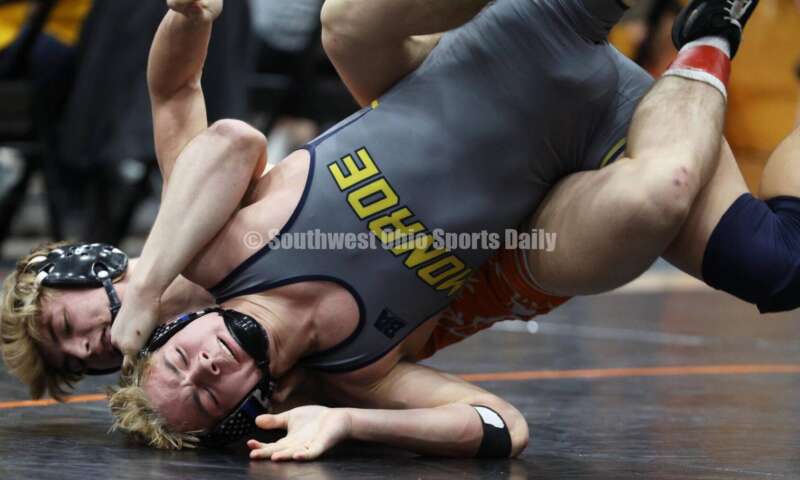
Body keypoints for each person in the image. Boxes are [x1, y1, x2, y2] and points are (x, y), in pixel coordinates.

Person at [100, 0, 772, 459]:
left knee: (345, 16)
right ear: (248, 408)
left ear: (176, 328)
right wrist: (347, 421)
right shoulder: (359, 372)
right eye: (207, 394)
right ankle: (714, 29)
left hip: (513, 50)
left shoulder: (216, 253)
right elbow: (502, 426)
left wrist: (149, 283)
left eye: (182, 361)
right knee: (719, 231)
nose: (205, 367)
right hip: (589, 150)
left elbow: (224, 139)